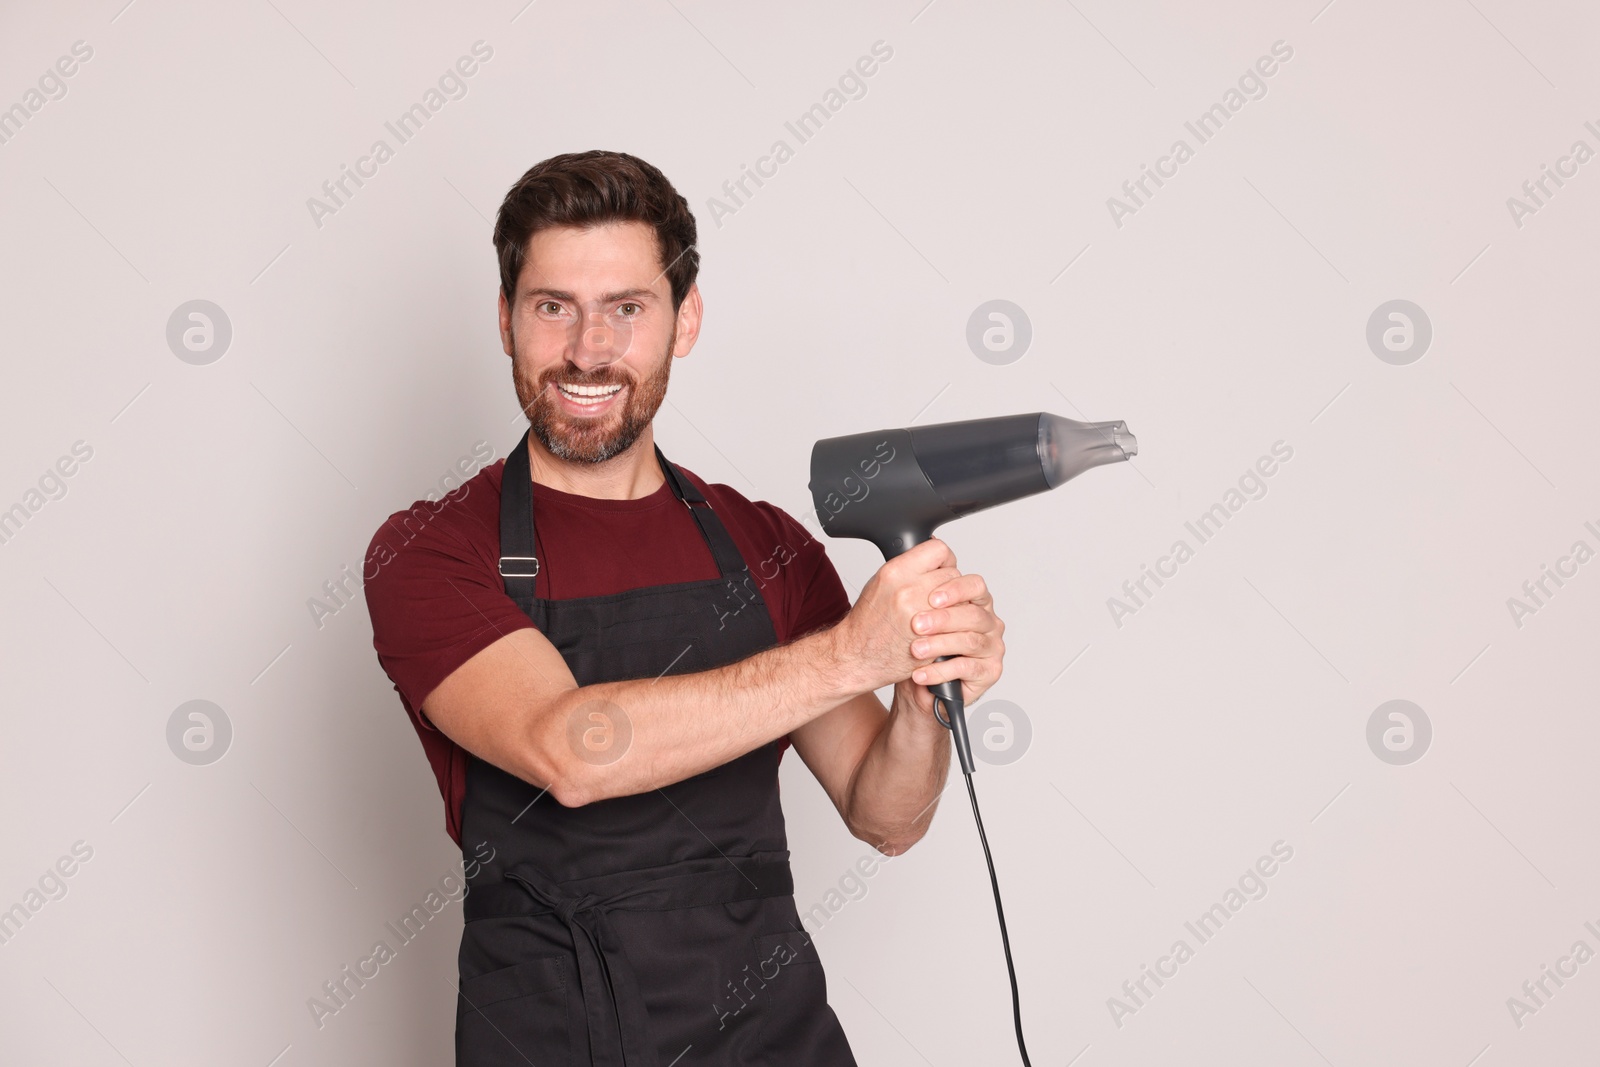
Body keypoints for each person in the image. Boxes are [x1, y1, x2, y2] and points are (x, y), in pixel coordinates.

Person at [363, 149, 1006, 1066]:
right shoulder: (433, 550)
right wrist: (852, 654)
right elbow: (568, 749)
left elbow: (886, 814)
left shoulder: (766, 544)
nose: (588, 350)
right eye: (554, 307)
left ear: (685, 319)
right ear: (505, 321)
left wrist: (917, 686)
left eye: (627, 308)